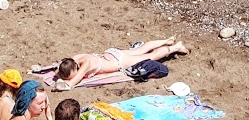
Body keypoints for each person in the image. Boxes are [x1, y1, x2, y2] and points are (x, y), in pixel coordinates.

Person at [52, 39, 189, 88]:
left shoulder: (86, 64)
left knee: (150, 56)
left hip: (120, 61)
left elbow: (72, 83)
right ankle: (167, 40)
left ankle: (175, 47)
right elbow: (61, 65)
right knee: (141, 49)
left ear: (75, 69)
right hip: (112, 54)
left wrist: (64, 83)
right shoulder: (76, 58)